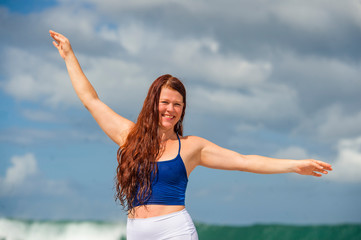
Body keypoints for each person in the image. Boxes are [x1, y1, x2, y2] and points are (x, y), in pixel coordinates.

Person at [49, 30, 332, 240]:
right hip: (136, 232)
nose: (170, 109)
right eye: (165, 102)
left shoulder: (191, 147)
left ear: (183, 110)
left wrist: (294, 165)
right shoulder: (128, 136)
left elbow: (244, 160)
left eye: (177, 104)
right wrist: (69, 56)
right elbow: (92, 101)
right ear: (152, 103)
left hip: (175, 231)